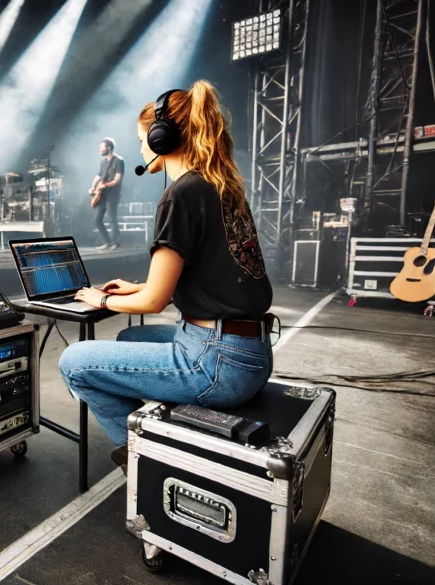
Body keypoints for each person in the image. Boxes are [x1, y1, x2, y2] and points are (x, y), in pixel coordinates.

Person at [59, 80, 274, 472]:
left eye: (142, 139)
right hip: (251, 355)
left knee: (74, 361)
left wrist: (101, 299)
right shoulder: (220, 187)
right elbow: (211, 271)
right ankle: (165, 433)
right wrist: (140, 286)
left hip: (217, 362)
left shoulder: (181, 194)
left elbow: (154, 303)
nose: (142, 147)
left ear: (162, 137)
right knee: (129, 339)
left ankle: (145, 459)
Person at [88, 138, 124, 250]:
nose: (100, 149)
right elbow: (99, 176)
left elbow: (117, 179)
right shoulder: (103, 162)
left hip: (113, 195)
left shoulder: (118, 161)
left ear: (109, 148)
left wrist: (106, 185)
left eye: (102, 147)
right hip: (102, 195)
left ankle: (115, 243)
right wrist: (93, 187)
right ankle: (107, 242)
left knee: (112, 218)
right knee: (97, 220)